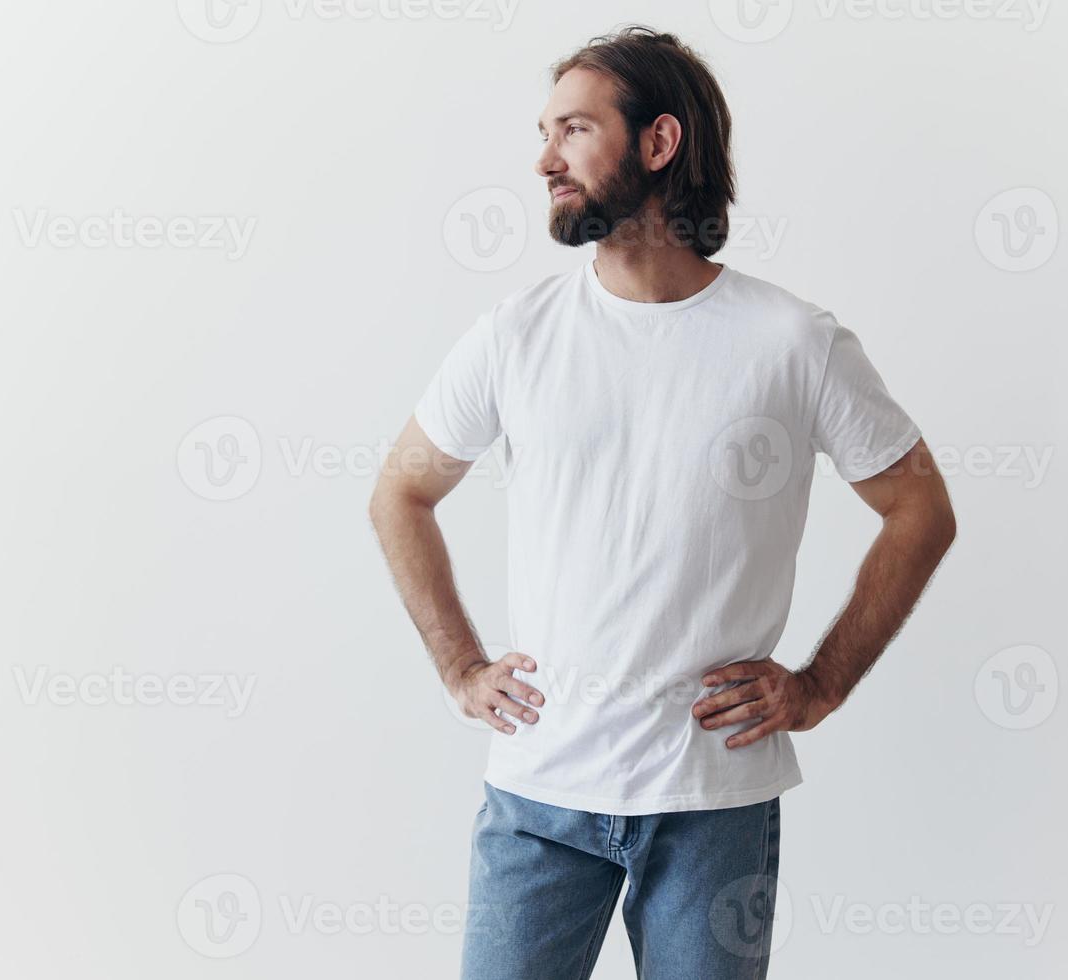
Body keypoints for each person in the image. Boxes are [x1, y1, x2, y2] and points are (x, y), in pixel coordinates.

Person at [368, 25, 957, 980]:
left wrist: (822, 683)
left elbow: (921, 510)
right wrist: (461, 666)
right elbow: (401, 491)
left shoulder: (791, 340)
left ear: (658, 142)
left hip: (713, 803)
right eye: (545, 131)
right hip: (539, 797)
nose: (543, 159)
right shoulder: (515, 337)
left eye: (573, 130)